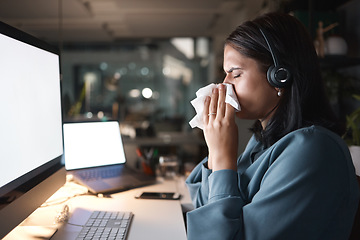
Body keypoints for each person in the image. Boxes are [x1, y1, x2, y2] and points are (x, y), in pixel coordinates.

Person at [185, 12, 360, 240]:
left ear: (280, 76)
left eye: (235, 74)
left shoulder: (313, 150)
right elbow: (203, 206)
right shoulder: (262, 141)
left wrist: (222, 156)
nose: (224, 85)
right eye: (225, 75)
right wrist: (215, 149)